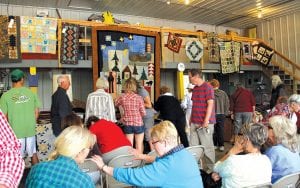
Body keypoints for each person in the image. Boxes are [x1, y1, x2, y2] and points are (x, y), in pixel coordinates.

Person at [91, 120, 204, 188]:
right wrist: (143, 157)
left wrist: (104, 167)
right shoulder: (185, 154)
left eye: (154, 142)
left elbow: (133, 176)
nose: (153, 146)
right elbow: (164, 163)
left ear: (164, 142)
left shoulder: (165, 167)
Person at [25, 126, 96, 188]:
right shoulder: (84, 182)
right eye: (90, 148)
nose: (89, 151)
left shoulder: (36, 169)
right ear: (80, 151)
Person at [0, 69, 41, 165]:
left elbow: (3, 117)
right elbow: (36, 111)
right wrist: (31, 122)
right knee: (33, 154)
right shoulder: (31, 93)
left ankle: (19, 179)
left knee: (18, 157)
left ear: (12, 80)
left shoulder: (5, 96)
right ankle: (38, 177)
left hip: (15, 132)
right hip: (30, 130)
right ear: (22, 79)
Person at [212, 123, 272, 187]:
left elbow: (215, 168)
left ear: (247, 140)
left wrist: (231, 152)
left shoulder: (234, 161)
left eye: (242, 136)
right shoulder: (267, 161)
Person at [188, 69, 216, 170]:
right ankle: (194, 168)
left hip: (205, 123)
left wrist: (206, 120)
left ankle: (211, 169)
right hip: (194, 122)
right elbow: (194, 105)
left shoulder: (208, 87)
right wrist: (190, 119)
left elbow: (210, 104)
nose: (189, 78)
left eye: (190, 76)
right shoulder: (195, 89)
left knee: (207, 147)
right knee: (193, 147)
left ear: (196, 76)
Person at [266, 115, 300, 183]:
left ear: (275, 130)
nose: (266, 129)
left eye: (268, 127)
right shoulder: (294, 149)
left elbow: (258, 173)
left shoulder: (274, 151)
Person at [115, 78, 146, 153]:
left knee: (129, 145)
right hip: (138, 123)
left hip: (128, 123)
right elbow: (143, 113)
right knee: (139, 144)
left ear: (125, 86)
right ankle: (140, 162)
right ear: (134, 87)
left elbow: (116, 104)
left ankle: (131, 163)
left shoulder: (122, 97)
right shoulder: (139, 98)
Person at [0, 109, 25, 188]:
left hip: (15, 130)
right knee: (31, 153)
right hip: (26, 129)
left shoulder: (5, 97)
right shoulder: (32, 96)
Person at [209, 79, 229, 152]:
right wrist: (225, 113)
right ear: (218, 85)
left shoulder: (209, 93)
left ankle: (214, 145)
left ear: (211, 85)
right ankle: (221, 145)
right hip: (221, 114)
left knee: (213, 130)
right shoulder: (223, 93)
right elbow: (227, 103)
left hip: (212, 115)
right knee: (220, 130)